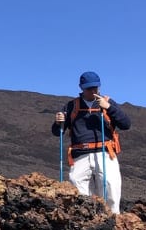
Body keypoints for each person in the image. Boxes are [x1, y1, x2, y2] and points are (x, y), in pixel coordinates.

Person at [51, 71, 132, 214]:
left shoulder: (107, 102)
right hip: (80, 155)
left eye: (96, 87)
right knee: (79, 188)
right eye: (89, 88)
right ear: (81, 87)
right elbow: (58, 132)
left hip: (105, 153)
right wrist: (58, 123)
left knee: (111, 187)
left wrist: (108, 108)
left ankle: (113, 220)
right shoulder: (71, 106)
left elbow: (126, 124)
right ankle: (87, 220)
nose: (93, 91)